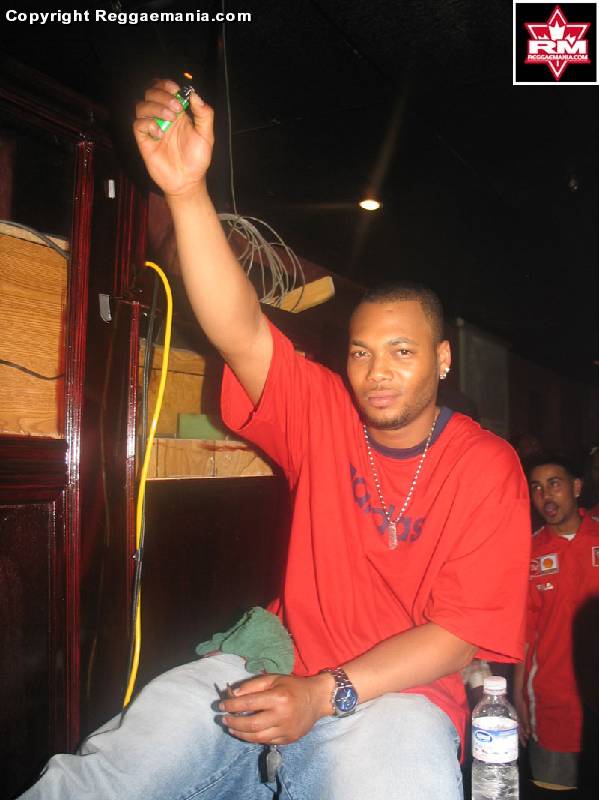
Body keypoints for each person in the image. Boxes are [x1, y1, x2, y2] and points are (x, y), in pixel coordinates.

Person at [18, 80, 531, 800]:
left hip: (401, 699)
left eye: (402, 352)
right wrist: (187, 192)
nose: (377, 372)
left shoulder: (486, 465)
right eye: (360, 352)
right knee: (122, 765)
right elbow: (240, 330)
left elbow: (459, 633)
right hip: (275, 664)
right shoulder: (323, 413)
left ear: (442, 359)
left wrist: (324, 694)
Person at [513, 454, 599, 794]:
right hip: (552, 706)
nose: (545, 495)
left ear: (576, 488)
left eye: (554, 484)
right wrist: (519, 697)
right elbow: (524, 633)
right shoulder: (528, 553)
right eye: (536, 487)